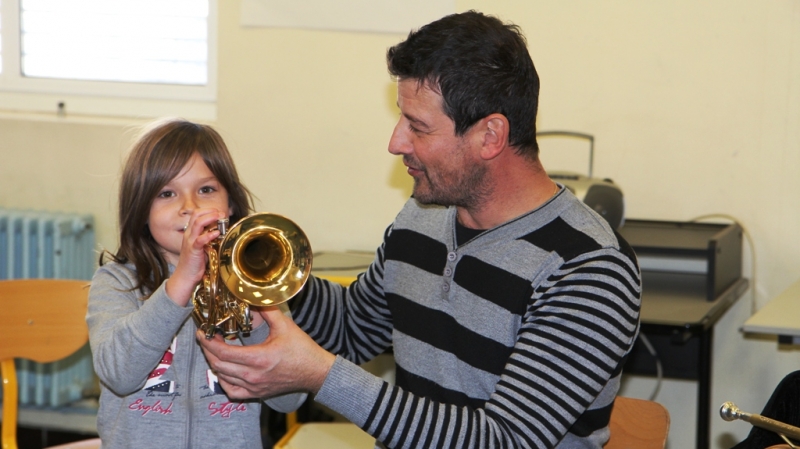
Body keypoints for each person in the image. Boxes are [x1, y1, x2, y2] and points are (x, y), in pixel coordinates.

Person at [199, 11, 642, 449]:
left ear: (490, 136)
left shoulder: (589, 268)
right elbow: (352, 328)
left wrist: (321, 375)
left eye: (418, 127)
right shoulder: (423, 216)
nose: (396, 143)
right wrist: (257, 267)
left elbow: (504, 439)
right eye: (401, 118)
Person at [86, 118, 305, 448]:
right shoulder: (116, 283)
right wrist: (182, 281)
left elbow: (290, 401)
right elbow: (118, 373)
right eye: (167, 193)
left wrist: (258, 313)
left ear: (229, 204)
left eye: (206, 190)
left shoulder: (254, 281)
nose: (190, 207)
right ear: (141, 209)